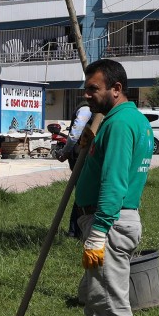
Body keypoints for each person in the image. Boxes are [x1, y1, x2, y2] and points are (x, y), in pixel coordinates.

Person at [63, 59, 153, 316]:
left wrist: (99, 230)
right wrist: (87, 144)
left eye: (93, 89)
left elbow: (114, 182)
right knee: (94, 298)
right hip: (107, 221)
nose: (87, 95)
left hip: (110, 224)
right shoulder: (124, 121)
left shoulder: (119, 125)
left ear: (116, 88)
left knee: (113, 304)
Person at [56, 101, 93, 238]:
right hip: (80, 155)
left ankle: (77, 231)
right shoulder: (86, 109)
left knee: (85, 193)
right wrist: (66, 151)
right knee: (83, 193)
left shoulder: (95, 109)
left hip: (84, 154)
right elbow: (75, 132)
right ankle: (75, 231)